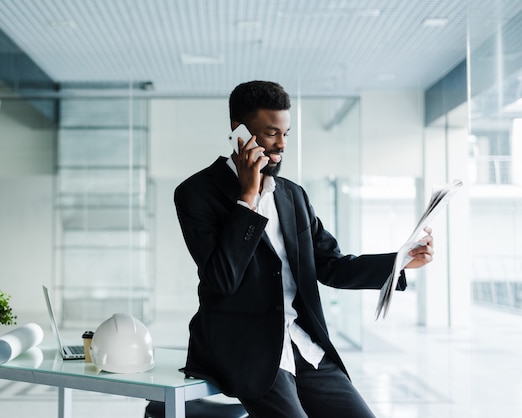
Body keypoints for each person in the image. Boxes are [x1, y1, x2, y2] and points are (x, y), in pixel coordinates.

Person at [173, 80, 434, 418]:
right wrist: (247, 201)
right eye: (271, 133)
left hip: (303, 345)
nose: (282, 144)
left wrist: (400, 261)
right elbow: (221, 279)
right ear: (239, 132)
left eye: (286, 133)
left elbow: (330, 265)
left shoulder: (292, 196)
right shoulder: (196, 193)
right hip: (245, 350)